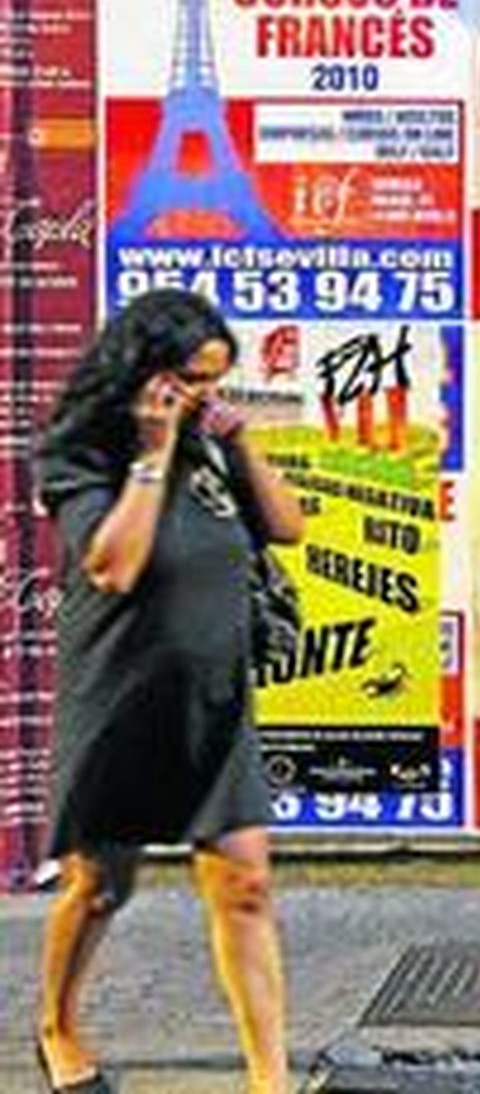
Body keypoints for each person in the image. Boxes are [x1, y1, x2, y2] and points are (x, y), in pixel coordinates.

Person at [33, 290, 305, 1093]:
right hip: (121, 700)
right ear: (147, 373)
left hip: (213, 703)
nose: (204, 396)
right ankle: (56, 1023)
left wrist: (240, 439)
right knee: (100, 884)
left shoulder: (212, 441)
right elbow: (115, 564)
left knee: (246, 883)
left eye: (217, 382)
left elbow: (287, 527)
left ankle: (271, 1080)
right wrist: (152, 453)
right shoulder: (81, 449)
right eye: (192, 380)